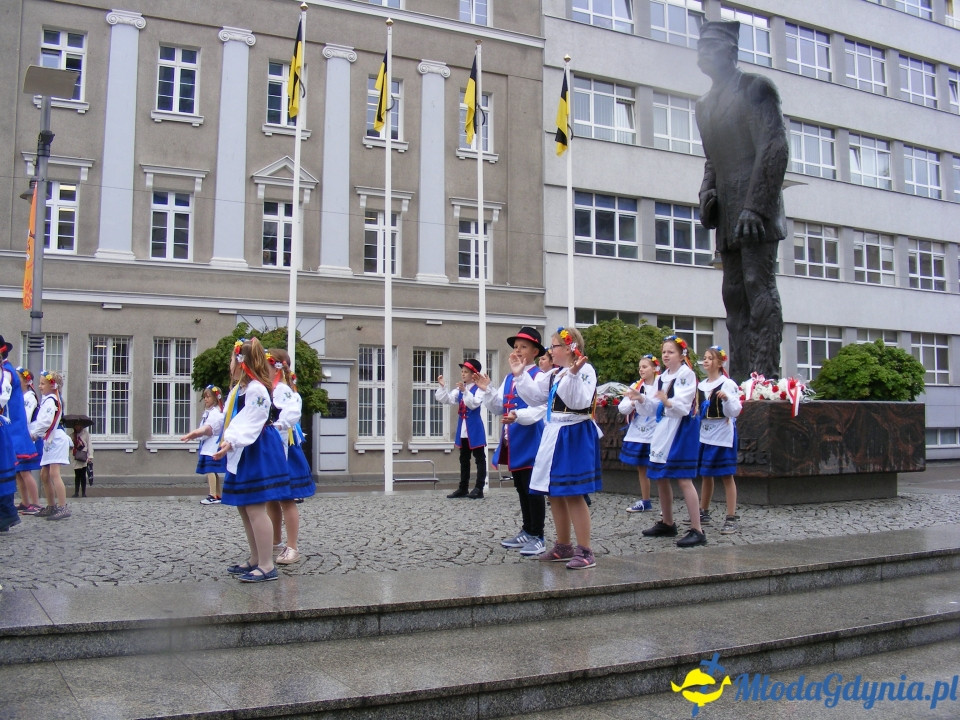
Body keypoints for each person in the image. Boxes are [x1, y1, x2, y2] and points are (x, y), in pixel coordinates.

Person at [695, 20, 789, 381]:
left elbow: (774, 147)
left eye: (710, 46)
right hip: (729, 211)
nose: (702, 53)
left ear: (731, 52)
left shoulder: (755, 88)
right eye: (699, 46)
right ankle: (739, 381)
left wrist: (756, 207)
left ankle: (764, 378)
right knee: (733, 294)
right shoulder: (704, 106)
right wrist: (707, 196)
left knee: (757, 286)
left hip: (755, 210)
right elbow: (712, 161)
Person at [512, 326, 602, 569]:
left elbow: (579, 401)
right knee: (554, 491)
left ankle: (585, 549)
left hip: (573, 433)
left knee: (573, 491)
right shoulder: (556, 374)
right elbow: (535, 397)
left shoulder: (584, 371)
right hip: (555, 434)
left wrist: (573, 375)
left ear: (570, 348)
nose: (551, 351)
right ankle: (563, 544)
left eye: (554, 346)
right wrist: (520, 376)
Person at [213, 338, 290, 583]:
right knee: (245, 507)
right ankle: (256, 558)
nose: (229, 366)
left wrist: (232, 441)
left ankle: (267, 564)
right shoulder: (244, 389)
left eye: (231, 361)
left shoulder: (256, 388)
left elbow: (253, 420)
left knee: (255, 507)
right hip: (243, 448)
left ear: (241, 362)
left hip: (254, 448)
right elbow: (231, 418)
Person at [476, 327, 547, 556]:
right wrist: (487, 390)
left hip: (532, 439)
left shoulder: (540, 376)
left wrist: (520, 416)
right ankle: (527, 530)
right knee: (520, 487)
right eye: (516, 347)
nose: (518, 351)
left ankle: (538, 535)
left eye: (523, 347)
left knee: (532, 489)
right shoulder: (509, 377)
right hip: (513, 440)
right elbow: (499, 406)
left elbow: (540, 409)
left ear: (535, 352)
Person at [642, 336, 705, 548]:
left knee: (684, 478)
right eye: (664, 352)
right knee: (660, 476)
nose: (666, 355)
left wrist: (667, 401)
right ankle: (668, 522)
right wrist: (641, 399)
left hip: (682, 428)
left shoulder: (686, 374)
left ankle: (697, 529)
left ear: (681, 355)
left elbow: (684, 405)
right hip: (664, 427)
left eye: (671, 352)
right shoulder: (662, 377)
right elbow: (654, 406)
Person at [265, 348, 314, 566]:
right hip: (273, 448)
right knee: (271, 498)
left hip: (285, 448)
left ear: (276, 365)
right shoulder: (269, 389)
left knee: (287, 498)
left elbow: (290, 414)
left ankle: (292, 546)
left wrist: (277, 425)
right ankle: (275, 540)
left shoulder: (283, 390)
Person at [697, 346, 743, 535]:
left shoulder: (727, 384)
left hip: (722, 434)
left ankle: (731, 517)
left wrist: (727, 400)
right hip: (705, 433)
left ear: (719, 362)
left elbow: (736, 411)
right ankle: (703, 511)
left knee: (726, 475)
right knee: (706, 474)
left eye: (710, 358)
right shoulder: (700, 385)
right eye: (705, 358)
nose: (706, 361)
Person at [436, 359, 487, 499]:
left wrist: (465, 392)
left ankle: (479, 488)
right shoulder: (460, 389)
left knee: (479, 458)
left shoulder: (479, 389)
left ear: (473, 374)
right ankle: (463, 487)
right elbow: (447, 399)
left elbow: (474, 404)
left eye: (466, 372)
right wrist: (442, 387)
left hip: (475, 427)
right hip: (463, 427)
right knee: (463, 459)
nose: (463, 374)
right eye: (462, 371)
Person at [1, 344, 42, 516]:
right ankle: (25, 502)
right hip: (13, 429)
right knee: (16, 472)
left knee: (24, 471)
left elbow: (4, 399)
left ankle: (35, 503)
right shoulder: (7, 371)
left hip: (16, 431)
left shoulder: (7, 373)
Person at [619, 354, 660, 514]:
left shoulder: (661, 384)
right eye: (640, 367)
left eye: (645, 366)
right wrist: (633, 401)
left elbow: (659, 407)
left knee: (660, 467)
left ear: (654, 368)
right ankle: (646, 500)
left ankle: (666, 502)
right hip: (639, 431)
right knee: (642, 468)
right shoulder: (636, 385)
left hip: (656, 431)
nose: (641, 370)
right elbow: (622, 408)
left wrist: (642, 399)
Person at [28, 370, 71, 521]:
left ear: (52, 385)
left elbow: (45, 422)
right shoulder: (50, 399)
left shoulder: (51, 400)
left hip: (56, 439)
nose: (40, 386)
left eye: (42, 383)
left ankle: (62, 506)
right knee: (44, 475)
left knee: (54, 474)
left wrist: (34, 434)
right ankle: (52, 506)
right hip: (49, 439)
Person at [180, 385, 227, 504]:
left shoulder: (216, 413)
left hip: (212, 444)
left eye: (208, 397)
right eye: (204, 397)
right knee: (212, 470)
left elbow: (209, 428)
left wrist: (196, 434)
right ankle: (217, 494)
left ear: (215, 398)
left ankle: (213, 494)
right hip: (208, 443)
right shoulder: (210, 412)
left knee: (210, 469)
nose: (206, 399)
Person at [69, 422, 92, 498]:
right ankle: (76, 492)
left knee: (83, 475)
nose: (77, 427)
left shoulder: (86, 434)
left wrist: (90, 456)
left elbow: (89, 445)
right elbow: (70, 445)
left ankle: (83, 492)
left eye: (78, 425)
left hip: (83, 456)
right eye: (75, 425)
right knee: (77, 475)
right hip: (76, 457)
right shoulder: (72, 435)